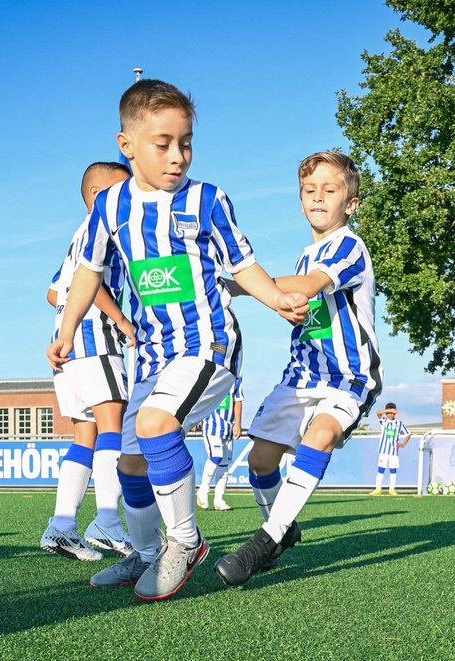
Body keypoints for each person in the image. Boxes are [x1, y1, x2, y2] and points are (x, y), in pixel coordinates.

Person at [49, 79, 308, 602]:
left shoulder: (208, 200)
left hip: (207, 344)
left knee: (153, 424)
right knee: (129, 460)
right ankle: (145, 554)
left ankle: (185, 542)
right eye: (162, 143)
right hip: (152, 354)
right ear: (128, 146)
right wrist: (69, 327)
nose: (177, 156)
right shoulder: (111, 207)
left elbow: (244, 265)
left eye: (185, 142)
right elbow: (87, 273)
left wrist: (276, 299)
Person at [215, 150, 381, 587]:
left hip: (347, 377)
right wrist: (286, 309)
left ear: (352, 203)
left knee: (320, 435)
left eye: (331, 190)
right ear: (300, 199)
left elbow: (310, 287)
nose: (319, 198)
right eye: (310, 191)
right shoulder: (305, 256)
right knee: (260, 461)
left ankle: (265, 541)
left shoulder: (350, 246)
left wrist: (235, 285)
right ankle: (284, 527)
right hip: (302, 376)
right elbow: (303, 301)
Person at [39, 162, 137, 561]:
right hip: (96, 339)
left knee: (86, 434)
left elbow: (52, 292)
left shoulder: (78, 234)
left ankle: (62, 527)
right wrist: (122, 320)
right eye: (123, 191)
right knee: (113, 426)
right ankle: (108, 523)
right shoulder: (103, 230)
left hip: (67, 342)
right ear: (98, 196)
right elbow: (90, 279)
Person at [196, 377, 244, 511]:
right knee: (216, 456)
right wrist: (195, 419)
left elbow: (238, 399)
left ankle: (219, 500)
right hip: (211, 426)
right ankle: (203, 490)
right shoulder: (212, 374)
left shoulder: (236, 377)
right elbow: (199, 398)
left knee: (224, 464)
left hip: (228, 427)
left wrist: (238, 424)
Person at [369, 402, 411, 496]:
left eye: (392, 412)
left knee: (393, 470)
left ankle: (392, 489)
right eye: (388, 413)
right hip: (383, 451)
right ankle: (378, 489)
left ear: (395, 413)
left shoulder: (399, 423)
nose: (390, 414)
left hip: (393, 452)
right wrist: (388, 410)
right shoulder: (384, 421)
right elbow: (378, 413)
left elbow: (408, 434)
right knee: (381, 469)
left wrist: (403, 445)